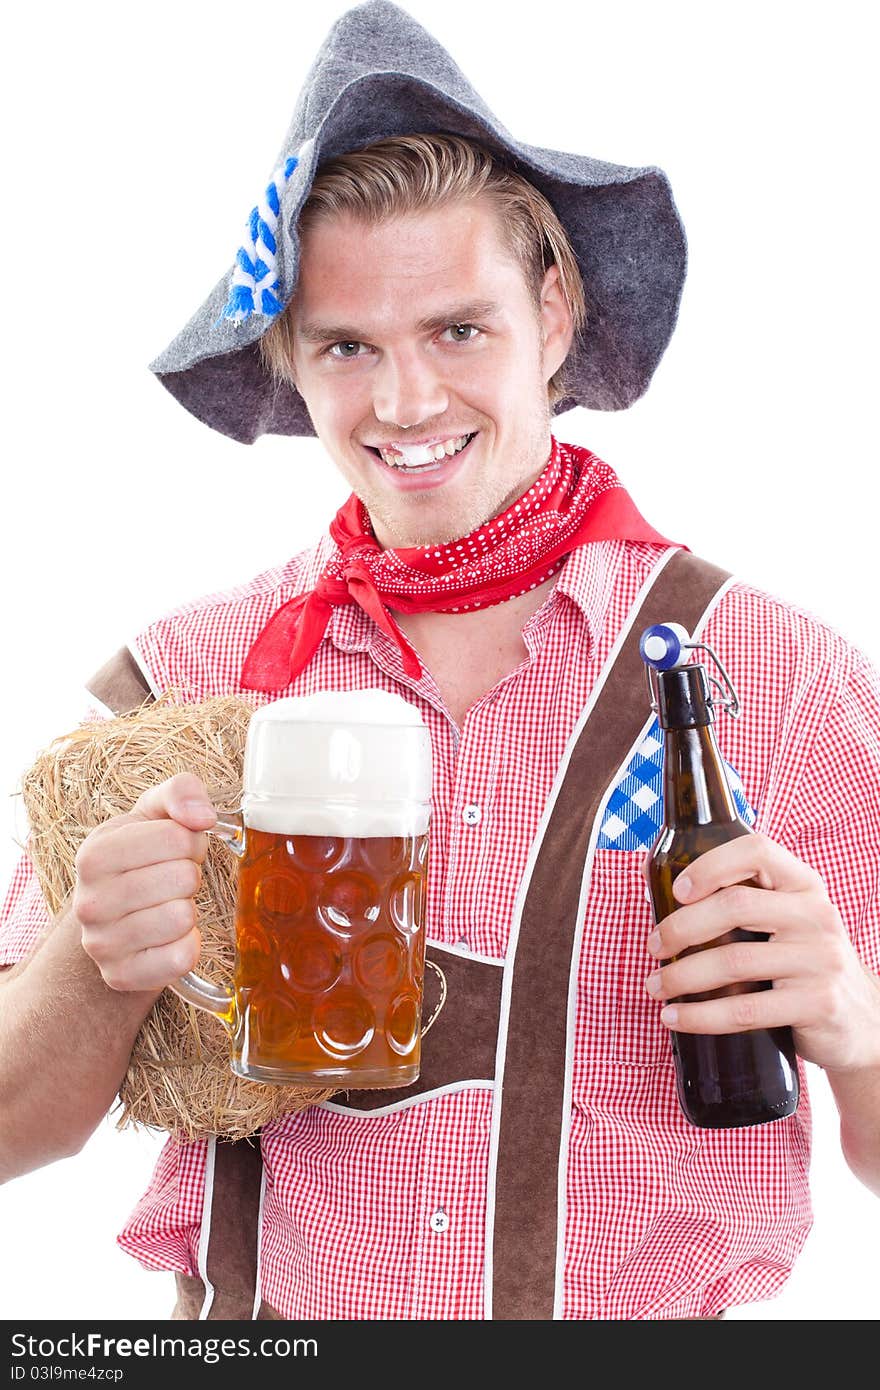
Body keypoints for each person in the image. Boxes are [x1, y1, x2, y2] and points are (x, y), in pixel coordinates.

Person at [1, 0, 878, 1321]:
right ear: (292, 358)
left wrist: (855, 1026)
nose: (405, 403)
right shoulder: (185, 683)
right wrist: (93, 957)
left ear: (557, 309)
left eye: (459, 330)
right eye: (349, 344)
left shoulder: (777, 676)